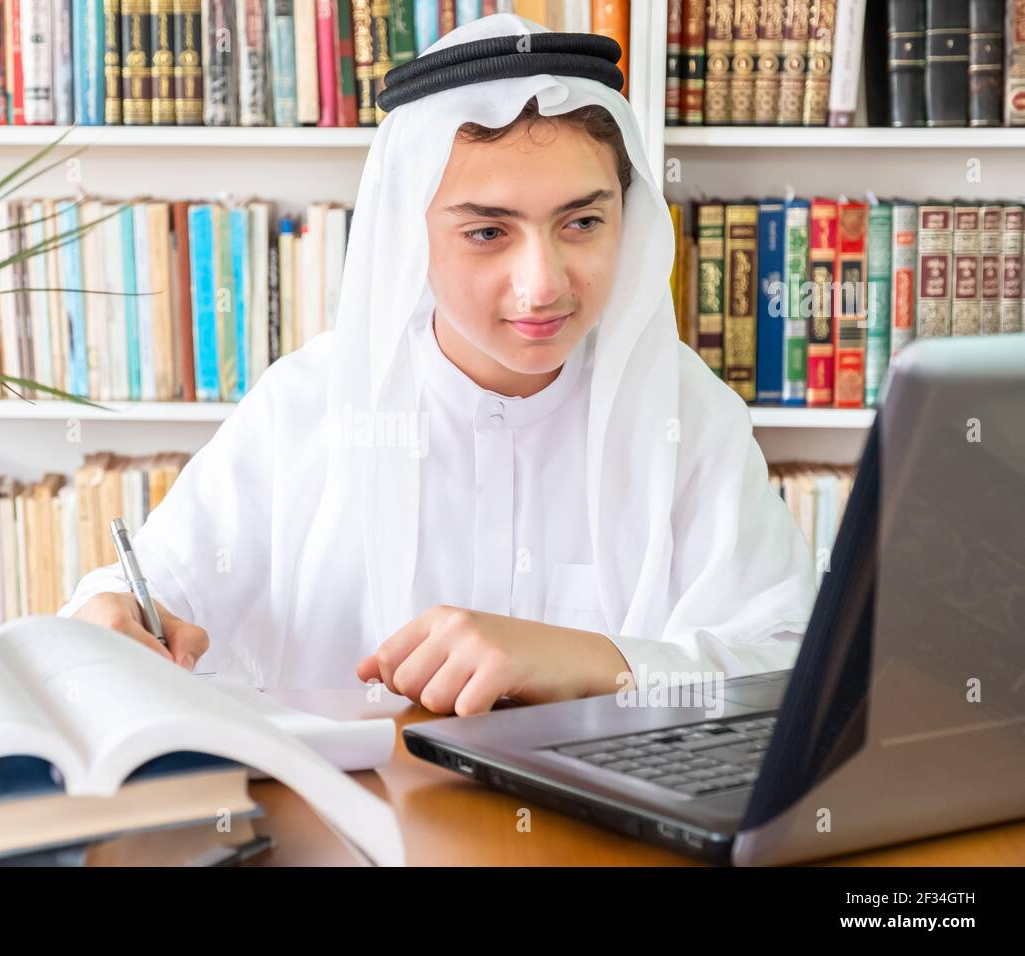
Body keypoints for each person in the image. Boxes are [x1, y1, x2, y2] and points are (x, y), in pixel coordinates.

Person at [57, 13, 817, 716]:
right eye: (488, 232)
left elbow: (790, 665)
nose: (543, 283)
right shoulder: (310, 407)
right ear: (408, 234)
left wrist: (594, 661)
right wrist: (108, 616)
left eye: (582, 222)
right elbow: (139, 601)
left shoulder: (692, 417)